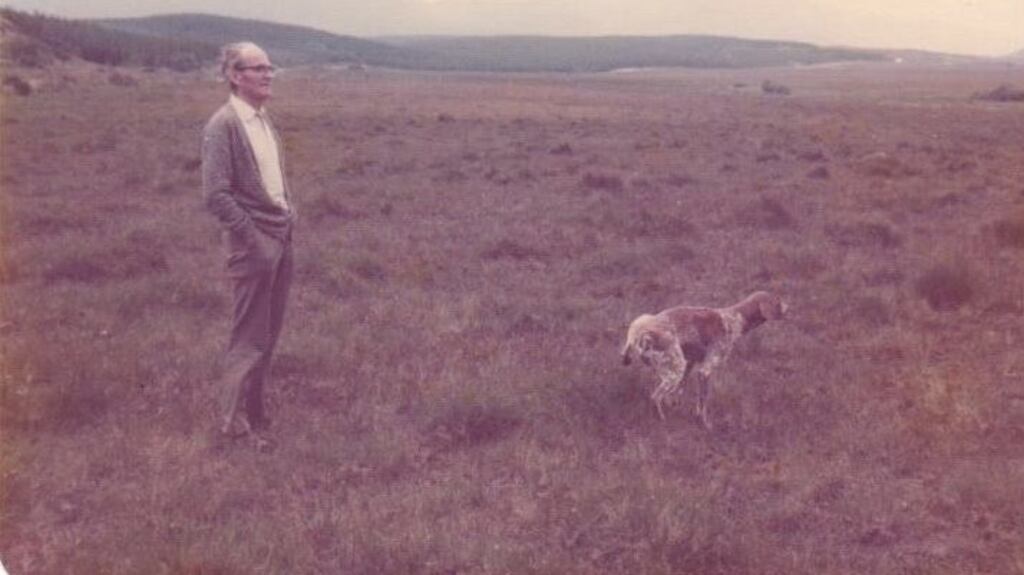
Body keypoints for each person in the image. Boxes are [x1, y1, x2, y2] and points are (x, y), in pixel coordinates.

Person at [201, 42, 294, 449]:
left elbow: (273, 179)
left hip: (281, 235)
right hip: (253, 244)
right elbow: (216, 195)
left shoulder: (263, 119)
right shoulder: (223, 125)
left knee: (269, 332)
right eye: (258, 68)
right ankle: (233, 424)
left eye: (270, 66)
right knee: (249, 336)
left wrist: (289, 212)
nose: (268, 73)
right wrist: (253, 238)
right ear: (235, 76)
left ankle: (256, 411)